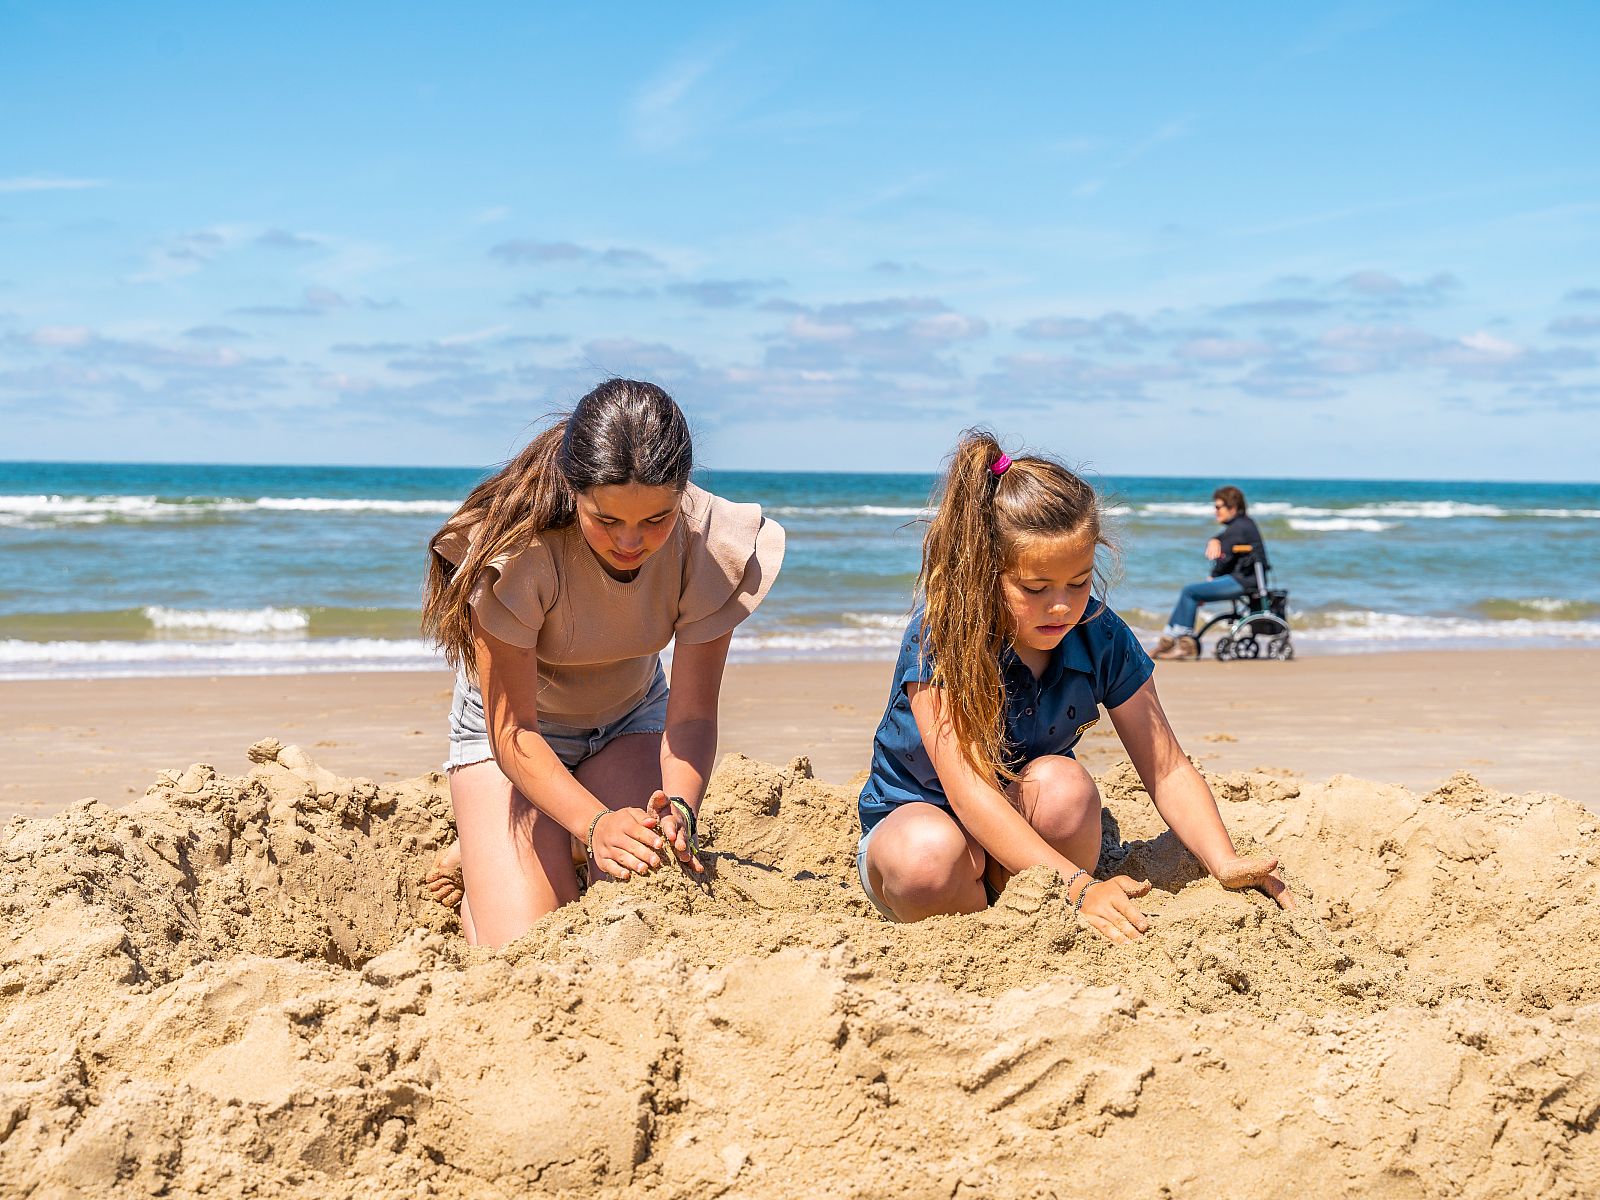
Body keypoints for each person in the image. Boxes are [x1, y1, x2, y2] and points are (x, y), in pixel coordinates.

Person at [855, 432, 1291, 943]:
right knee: (928, 855)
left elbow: (1166, 766)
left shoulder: (1099, 634)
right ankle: (980, 929)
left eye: (1079, 582)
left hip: (1025, 835)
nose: (1062, 606)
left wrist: (1224, 859)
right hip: (919, 825)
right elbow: (969, 791)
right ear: (983, 573)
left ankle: (1031, 918)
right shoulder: (945, 633)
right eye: (1035, 589)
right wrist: (1083, 887)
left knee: (1065, 787)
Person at [419, 379, 785, 946]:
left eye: (656, 520)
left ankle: (536, 835)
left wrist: (681, 807)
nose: (631, 543)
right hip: (514, 741)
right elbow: (512, 731)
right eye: (607, 520)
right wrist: (595, 823)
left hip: (628, 722)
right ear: (574, 490)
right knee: (528, 941)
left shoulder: (708, 543)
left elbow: (690, 719)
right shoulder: (521, 551)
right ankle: (491, 851)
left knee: (646, 887)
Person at [1150, 485, 1268, 661]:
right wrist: (1215, 539)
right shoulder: (1242, 525)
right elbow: (1226, 545)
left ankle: (1184, 644)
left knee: (1190, 591)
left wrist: (1212, 576)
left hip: (1243, 582)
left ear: (1233, 507)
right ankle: (1169, 640)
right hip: (1243, 579)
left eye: (1219, 507)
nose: (1215, 511)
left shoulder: (1239, 528)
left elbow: (1224, 558)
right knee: (1190, 592)